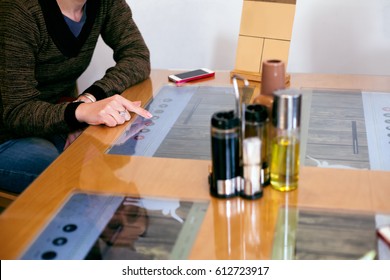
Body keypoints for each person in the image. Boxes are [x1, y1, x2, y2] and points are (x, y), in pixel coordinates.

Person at [0, 0, 153, 194]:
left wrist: (88, 99)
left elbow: (137, 56)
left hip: (53, 118)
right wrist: (77, 113)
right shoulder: (19, 11)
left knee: (120, 150)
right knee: (74, 170)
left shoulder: (106, 3)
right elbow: (16, 111)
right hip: (6, 133)